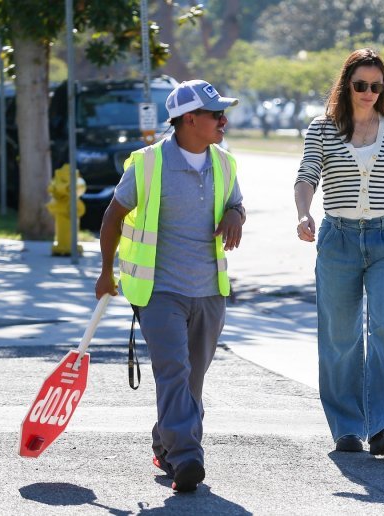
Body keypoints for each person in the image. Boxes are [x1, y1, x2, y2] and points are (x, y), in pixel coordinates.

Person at [95, 79, 246, 492]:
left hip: (209, 291)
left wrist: (236, 214)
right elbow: (113, 216)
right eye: (216, 115)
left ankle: (164, 443)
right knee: (174, 372)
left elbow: (236, 202)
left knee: (192, 378)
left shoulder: (224, 163)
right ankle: (186, 458)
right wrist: (106, 271)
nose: (224, 121)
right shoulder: (146, 164)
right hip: (159, 291)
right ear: (189, 119)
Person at [294, 48, 384, 456]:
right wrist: (303, 214)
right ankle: (347, 427)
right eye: (361, 85)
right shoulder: (322, 128)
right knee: (341, 336)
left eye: (376, 86)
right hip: (339, 239)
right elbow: (307, 174)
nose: (368, 92)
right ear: (346, 85)